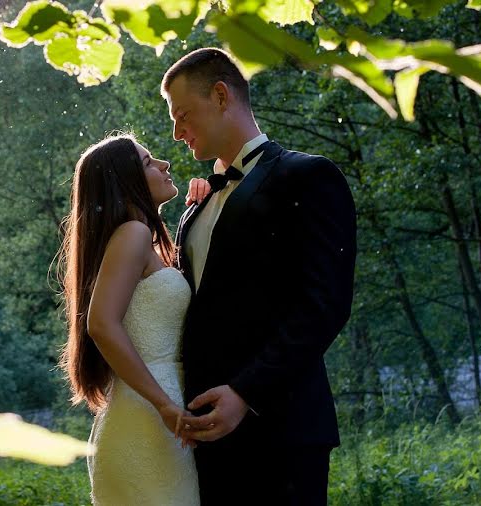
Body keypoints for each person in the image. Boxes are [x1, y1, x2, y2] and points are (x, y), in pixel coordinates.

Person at [163, 48, 358, 505]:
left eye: (183, 115)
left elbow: (325, 304)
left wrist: (245, 393)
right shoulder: (196, 205)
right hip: (204, 433)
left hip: (283, 430)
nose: (176, 132)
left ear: (220, 95)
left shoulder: (309, 176)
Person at [59, 134, 200, 504]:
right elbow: (101, 323)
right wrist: (165, 405)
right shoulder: (134, 234)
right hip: (149, 413)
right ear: (125, 181)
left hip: (150, 409)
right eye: (149, 162)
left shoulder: (142, 239)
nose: (164, 165)